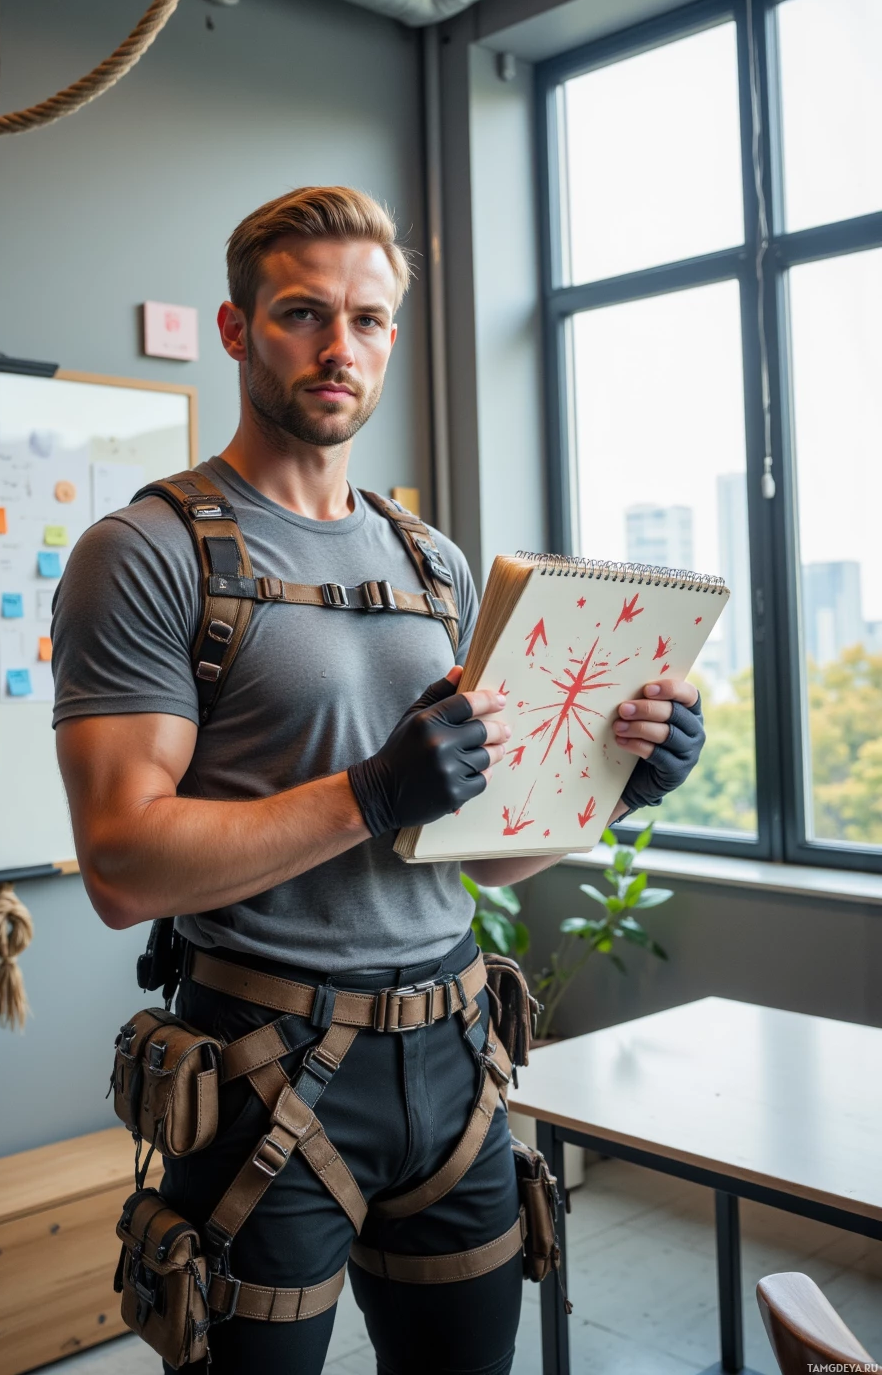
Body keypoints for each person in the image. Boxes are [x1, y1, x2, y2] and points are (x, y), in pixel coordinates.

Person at [52, 187, 705, 1375]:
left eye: (366, 319)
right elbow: (120, 866)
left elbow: (481, 855)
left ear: (391, 337)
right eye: (302, 313)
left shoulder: (432, 564)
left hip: (457, 1055)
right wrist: (368, 793)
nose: (338, 347)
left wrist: (618, 786)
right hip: (264, 1070)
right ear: (237, 328)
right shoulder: (145, 553)